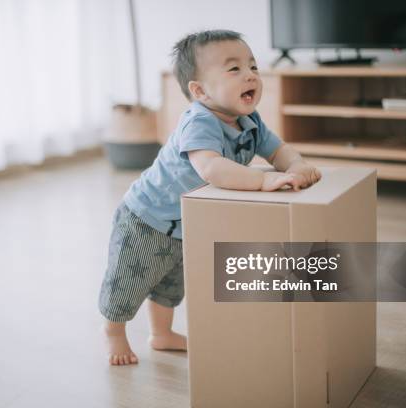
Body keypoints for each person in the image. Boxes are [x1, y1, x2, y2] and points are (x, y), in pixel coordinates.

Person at [99, 29, 322, 365]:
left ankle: (161, 334)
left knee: (171, 284)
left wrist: (297, 165)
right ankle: (114, 332)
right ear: (200, 90)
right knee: (129, 281)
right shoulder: (199, 122)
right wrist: (262, 182)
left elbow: (278, 150)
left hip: (187, 222)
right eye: (234, 69)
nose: (250, 75)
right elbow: (212, 168)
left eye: (253, 66)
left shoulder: (250, 121)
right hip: (146, 218)